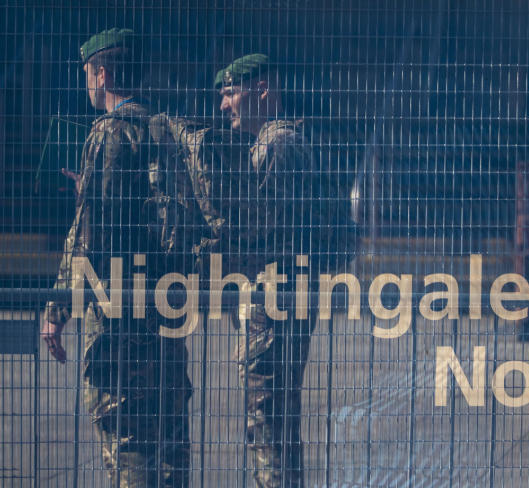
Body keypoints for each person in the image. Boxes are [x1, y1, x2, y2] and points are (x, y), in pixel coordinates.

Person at [41, 28, 192, 487]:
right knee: (168, 446)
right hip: (165, 312)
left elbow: (92, 238)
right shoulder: (164, 129)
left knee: (126, 444)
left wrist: (58, 308)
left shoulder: (108, 132)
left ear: (102, 73)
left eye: (89, 73)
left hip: (118, 322)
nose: (87, 83)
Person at [215, 53, 317, 488]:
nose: (224, 105)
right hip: (278, 300)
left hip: (274, 303)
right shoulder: (279, 141)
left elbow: (265, 231)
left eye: (231, 92)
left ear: (262, 90)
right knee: (274, 423)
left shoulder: (276, 145)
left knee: (268, 425)